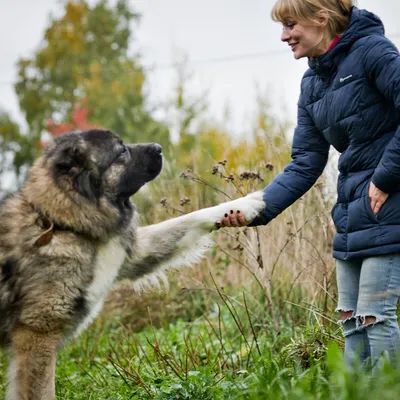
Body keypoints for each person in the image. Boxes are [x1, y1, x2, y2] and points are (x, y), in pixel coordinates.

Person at [217, 0, 400, 368]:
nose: (284, 36)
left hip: (388, 200)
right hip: (351, 210)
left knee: (375, 317)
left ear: (321, 18)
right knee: (351, 320)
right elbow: (305, 163)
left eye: (290, 24)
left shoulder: (374, 52)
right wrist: (256, 208)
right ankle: (357, 395)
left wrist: (385, 179)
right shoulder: (313, 82)